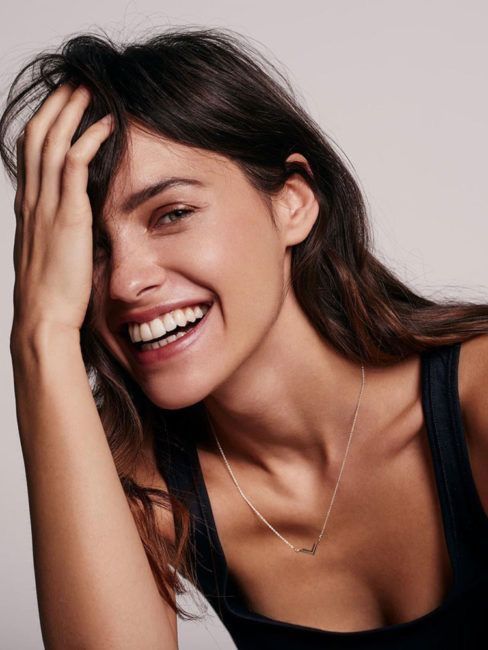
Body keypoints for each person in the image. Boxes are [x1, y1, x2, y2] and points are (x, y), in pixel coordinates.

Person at [1, 26, 487, 650]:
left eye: (171, 214)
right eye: (90, 247)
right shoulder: (145, 491)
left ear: (293, 204)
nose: (124, 281)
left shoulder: (474, 400)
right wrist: (40, 336)